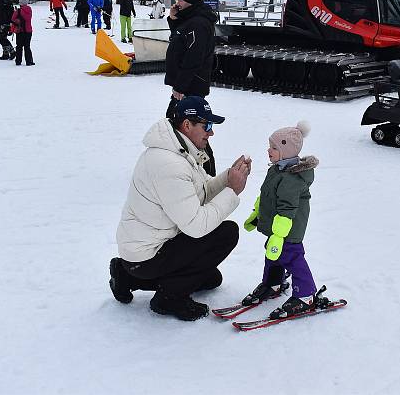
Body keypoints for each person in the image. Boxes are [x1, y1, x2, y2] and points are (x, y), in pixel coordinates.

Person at [110, 96, 251, 321]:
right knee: (226, 233)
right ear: (187, 125)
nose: (211, 132)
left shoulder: (179, 151)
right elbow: (196, 226)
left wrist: (227, 179)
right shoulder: (169, 164)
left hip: (143, 251)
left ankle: (127, 277)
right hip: (146, 255)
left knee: (210, 278)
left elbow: (201, 192)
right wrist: (232, 192)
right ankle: (169, 298)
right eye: (207, 126)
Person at [242, 121, 328, 319]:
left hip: (289, 227)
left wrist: (279, 235)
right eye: (269, 146)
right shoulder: (277, 170)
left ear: (287, 151)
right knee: (273, 254)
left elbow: (287, 210)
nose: (269, 150)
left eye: (274, 147)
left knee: (291, 256)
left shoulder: (292, 178)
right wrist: (258, 213)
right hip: (278, 227)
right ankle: (273, 283)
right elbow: (267, 195)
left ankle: (306, 295)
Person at [164, 0, 219, 175]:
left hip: (190, 86)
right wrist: (173, 19)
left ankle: (206, 170)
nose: (177, 3)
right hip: (186, 85)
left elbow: (193, 58)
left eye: (181, 0)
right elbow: (180, 39)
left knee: (189, 130)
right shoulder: (190, 20)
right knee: (176, 127)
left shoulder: (198, 23)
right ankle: (183, 166)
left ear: (191, 3)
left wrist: (180, 86)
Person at [11, 0, 34, 66]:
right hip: (28, 31)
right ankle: (29, 61)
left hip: (20, 30)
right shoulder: (29, 10)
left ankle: (18, 61)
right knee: (27, 46)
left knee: (19, 46)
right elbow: (27, 18)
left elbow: (13, 19)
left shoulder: (18, 11)